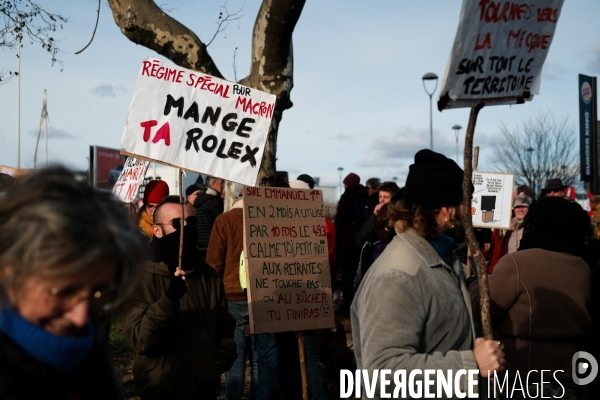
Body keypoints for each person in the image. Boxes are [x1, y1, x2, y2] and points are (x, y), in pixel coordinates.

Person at [351, 150, 504, 398]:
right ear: (446, 209)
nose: (471, 209)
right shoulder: (398, 275)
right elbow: (381, 374)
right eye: (466, 201)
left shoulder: (441, 259)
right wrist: (470, 364)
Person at [0, 167, 144, 399]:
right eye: (63, 292)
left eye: (99, 292)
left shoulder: (85, 345)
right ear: (8, 272)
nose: (80, 316)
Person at [469, 197, 593, 399]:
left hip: (525, 377)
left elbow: (484, 311)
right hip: (571, 377)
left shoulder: (518, 263)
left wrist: (476, 283)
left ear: (533, 225)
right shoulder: (583, 267)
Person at [123, 196, 236, 400]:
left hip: (204, 390)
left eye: (191, 222)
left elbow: (225, 327)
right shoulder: (140, 277)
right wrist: (168, 300)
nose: (187, 229)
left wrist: (216, 362)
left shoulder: (207, 276)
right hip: (160, 390)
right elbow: (141, 340)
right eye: (177, 223)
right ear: (157, 231)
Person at [335, 172, 369, 312]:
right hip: (361, 239)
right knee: (359, 273)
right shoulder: (365, 196)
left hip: (346, 242)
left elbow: (340, 220)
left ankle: (346, 305)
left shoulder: (347, 197)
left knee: (347, 275)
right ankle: (359, 304)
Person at [195, 175, 225, 251]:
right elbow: (222, 224)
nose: (223, 186)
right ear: (214, 184)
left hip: (201, 243)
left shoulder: (202, 200)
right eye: (221, 182)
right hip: (212, 244)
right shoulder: (214, 201)